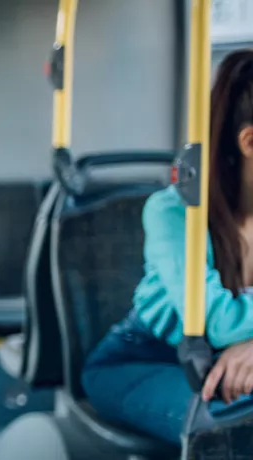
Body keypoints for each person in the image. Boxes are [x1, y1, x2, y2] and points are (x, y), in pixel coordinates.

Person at [82, 49, 253, 446]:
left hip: (222, 362)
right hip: (142, 361)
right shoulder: (173, 214)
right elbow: (219, 322)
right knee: (235, 426)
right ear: (248, 141)